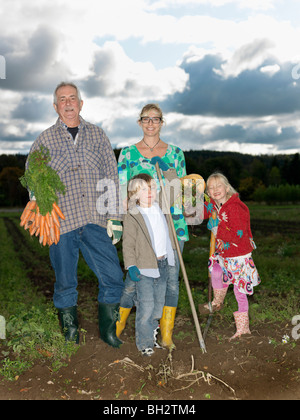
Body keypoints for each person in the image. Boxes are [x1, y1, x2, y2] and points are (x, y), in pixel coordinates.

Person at [26, 82, 124, 347]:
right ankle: (70, 329)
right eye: (62, 99)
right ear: (55, 106)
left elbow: (111, 176)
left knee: (113, 276)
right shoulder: (45, 139)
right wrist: (37, 202)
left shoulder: (98, 135)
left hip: (95, 219)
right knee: (66, 281)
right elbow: (32, 173)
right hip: (61, 221)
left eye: (72, 98)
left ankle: (108, 331)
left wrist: (115, 216)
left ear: (81, 103)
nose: (68, 103)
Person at [117, 103, 188, 348]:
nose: (150, 123)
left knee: (170, 279)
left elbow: (179, 190)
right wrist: (118, 221)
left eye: (155, 119)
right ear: (139, 122)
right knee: (134, 278)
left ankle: (164, 333)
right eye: (145, 119)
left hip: (171, 222)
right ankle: (119, 323)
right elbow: (122, 191)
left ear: (161, 122)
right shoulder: (127, 153)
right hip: (141, 225)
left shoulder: (176, 153)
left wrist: (167, 173)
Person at [199, 172, 260, 340]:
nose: (215, 189)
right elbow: (200, 213)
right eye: (211, 188)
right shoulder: (213, 204)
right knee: (216, 270)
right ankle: (218, 302)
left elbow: (238, 235)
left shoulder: (235, 207)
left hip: (239, 255)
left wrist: (218, 230)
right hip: (224, 254)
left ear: (227, 188)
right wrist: (188, 206)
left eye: (219, 186)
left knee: (240, 291)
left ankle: (243, 330)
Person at [122, 173, 176, 356]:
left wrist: (168, 172)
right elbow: (128, 243)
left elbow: (171, 189)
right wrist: (131, 265)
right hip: (144, 267)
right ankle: (144, 344)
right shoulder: (133, 215)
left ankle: (152, 338)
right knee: (146, 306)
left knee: (158, 306)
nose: (149, 191)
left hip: (161, 264)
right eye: (143, 189)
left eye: (152, 187)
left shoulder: (159, 207)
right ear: (134, 194)